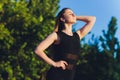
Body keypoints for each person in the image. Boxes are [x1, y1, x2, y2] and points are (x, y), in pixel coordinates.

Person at [35, 8, 96, 80]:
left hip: (69, 77)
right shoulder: (56, 35)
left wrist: (74, 17)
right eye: (70, 13)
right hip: (56, 76)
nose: (73, 14)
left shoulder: (78, 35)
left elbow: (92, 19)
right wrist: (54, 63)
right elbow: (38, 50)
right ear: (62, 18)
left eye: (74, 13)